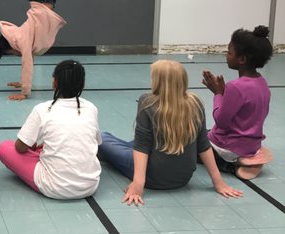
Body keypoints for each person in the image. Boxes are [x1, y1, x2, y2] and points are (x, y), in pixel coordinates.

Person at [98, 59, 243, 205]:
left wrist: (138, 183)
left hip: (153, 176)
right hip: (183, 178)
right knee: (136, 142)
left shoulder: (148, 102)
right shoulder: (195, 103)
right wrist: (218, 182)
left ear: (158, 82)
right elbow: (203, 145)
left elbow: (142, 147)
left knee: (102, 138)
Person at [0, 60, 101, 199]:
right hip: (89, 186)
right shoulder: (91, 108)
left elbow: (20, 147)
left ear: (55, 82)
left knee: (5, 147)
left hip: (54, 187)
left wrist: (32, 147)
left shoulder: (42, 109)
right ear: (82, 84)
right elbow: (95, 144)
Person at [202, 25, 273, 180]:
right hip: (251, 146)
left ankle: (231, 165)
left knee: (190, 142)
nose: (226, 55)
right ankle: (250, 159)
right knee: (204, 132)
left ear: (242, 59)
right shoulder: (262, 83)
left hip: (229, 147)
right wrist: (224, 94)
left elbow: (221, 122)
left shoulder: (235, 87)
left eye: (229, 52)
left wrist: (218, 94)